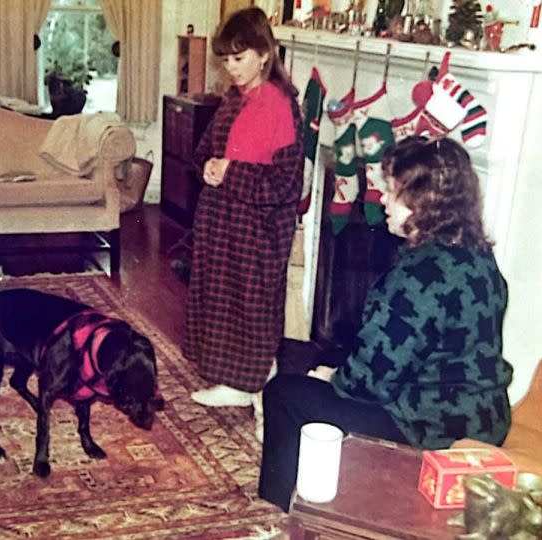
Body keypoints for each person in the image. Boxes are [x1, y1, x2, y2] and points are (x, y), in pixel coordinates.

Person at [257, 136, 513, 511]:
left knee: (286, 393)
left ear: (423, 204)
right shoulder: (480, 258)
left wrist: (333, 377)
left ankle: (276, 513)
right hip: (486, 418)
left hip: (430, 428)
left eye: (392, 193)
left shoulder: (418, 276)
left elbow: (368, 381)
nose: (384, 202)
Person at [186, 7, 304, 409]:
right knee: (222, 303)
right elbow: (204, 150)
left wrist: (231, 172)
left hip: (258, 228)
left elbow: (286, 182)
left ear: (264, 54)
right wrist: (207, 166)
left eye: (239, 59)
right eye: (226, 61)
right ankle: (234, 382)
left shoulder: (279, 105)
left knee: (249, 307)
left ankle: (257, 384)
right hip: (223, 218)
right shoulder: (234, 99)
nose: (231, 69)